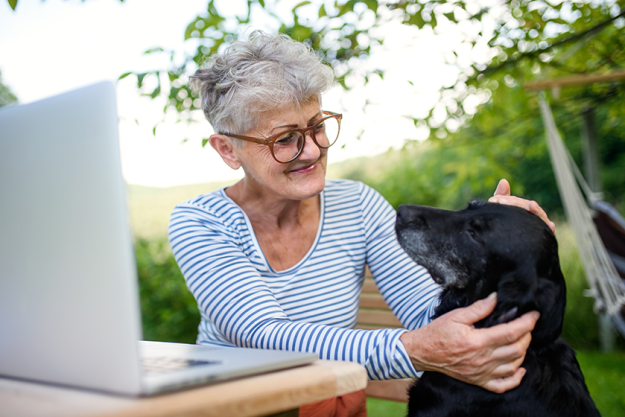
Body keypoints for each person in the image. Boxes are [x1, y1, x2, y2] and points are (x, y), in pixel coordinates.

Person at [169, 31, 554, 415]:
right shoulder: (200, 222)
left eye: (317, 126)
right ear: (227, 149)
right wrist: (415, 350)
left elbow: (428, 312)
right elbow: (263, 335)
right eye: (285, 139)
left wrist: (514, 246)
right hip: (235, 406)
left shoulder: (356, 203)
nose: (314, 150)